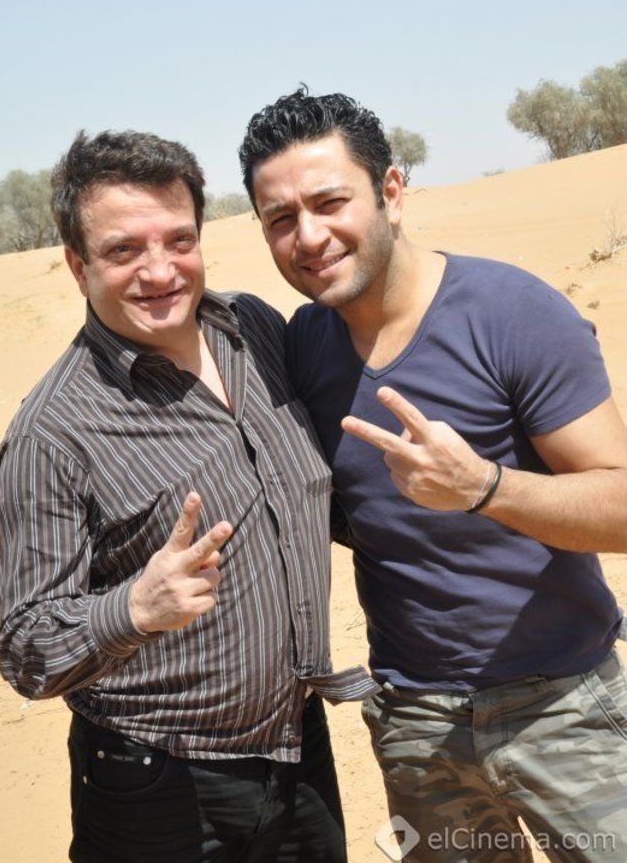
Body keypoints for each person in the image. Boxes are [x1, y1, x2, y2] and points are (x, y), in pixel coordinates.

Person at [238, 88, 627, 862]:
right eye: (281, 219)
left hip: (565, 710)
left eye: (330, 203)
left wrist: (485, 487)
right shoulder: (303, 345)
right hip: (416, 726)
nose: (309, 237)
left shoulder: (513, 313)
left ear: (391, 191)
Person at [0, 129, 376, 863]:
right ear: (77, 265)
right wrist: (135, 609)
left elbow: (313, 498)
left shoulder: (253, 330)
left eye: (179, 240)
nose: (160, 271)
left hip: (298, 747)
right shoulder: (52, 435)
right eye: (123, 250)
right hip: (159, 784)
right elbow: (26, 649)